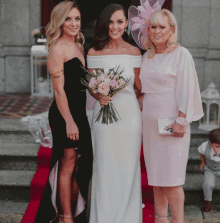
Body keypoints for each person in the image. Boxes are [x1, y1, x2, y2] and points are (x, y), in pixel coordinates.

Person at [136, 7, 203, 223]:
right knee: (157, 178)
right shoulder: (147, 56)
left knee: (172, 179)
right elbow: (144, 91)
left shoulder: (181, 54)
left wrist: (182, 121)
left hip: (173, 122)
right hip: (150, 123)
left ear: (172, 29)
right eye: (153, 26)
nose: (156, 31)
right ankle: (161, 219)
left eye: (162, 27)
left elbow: (188, 88)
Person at [34, 1, 93, 223]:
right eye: (68, 19)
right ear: (59, 22)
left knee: (79, 163)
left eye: (77, 18)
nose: (73, 23)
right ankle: (65, 216)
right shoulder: (57, 48)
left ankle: (71, 212)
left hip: (79, 112)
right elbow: (59, 91)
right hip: (64, 113)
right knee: (68, 162)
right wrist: (69, 121)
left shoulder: (79, 45)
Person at [87, 4, 143, 223]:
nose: (115, 26)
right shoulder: (94, 52)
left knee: (128, 168)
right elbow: (91, 87)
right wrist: (99, 95)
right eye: (110, 22)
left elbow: (140, 89)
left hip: (129, 119)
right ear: (104, 24)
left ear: (127, 24)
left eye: (120, 22)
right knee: (104, 167)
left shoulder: (135, 52)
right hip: (103, 119)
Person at [198, 128, 220, 212]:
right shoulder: (204, 146)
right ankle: (207, 201)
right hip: (210, 169)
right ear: (211, 144)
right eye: (218, 146)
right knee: (208, 184)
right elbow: (201, 153)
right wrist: (203, 162)